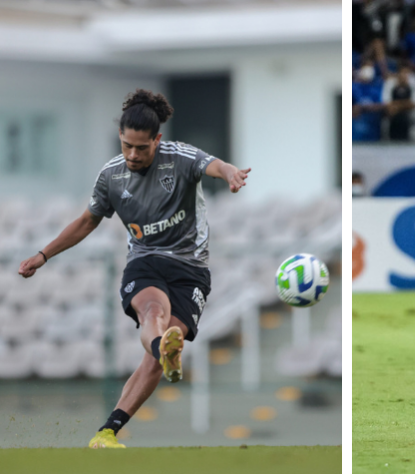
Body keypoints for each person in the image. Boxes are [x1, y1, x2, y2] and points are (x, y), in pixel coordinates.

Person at [17, 89, 251, 448]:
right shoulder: (111, 176)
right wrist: (43, 255)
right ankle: (162, 348)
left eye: (141, 147)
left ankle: (106, 432)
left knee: (156, 359)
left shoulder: (180, 157)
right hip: (145, 261)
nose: (132, 154)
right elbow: (86, 221)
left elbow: (214, 165)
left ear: (157, 139)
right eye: (126, 145)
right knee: (153, 313)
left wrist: (231, 173)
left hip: (191, 269)